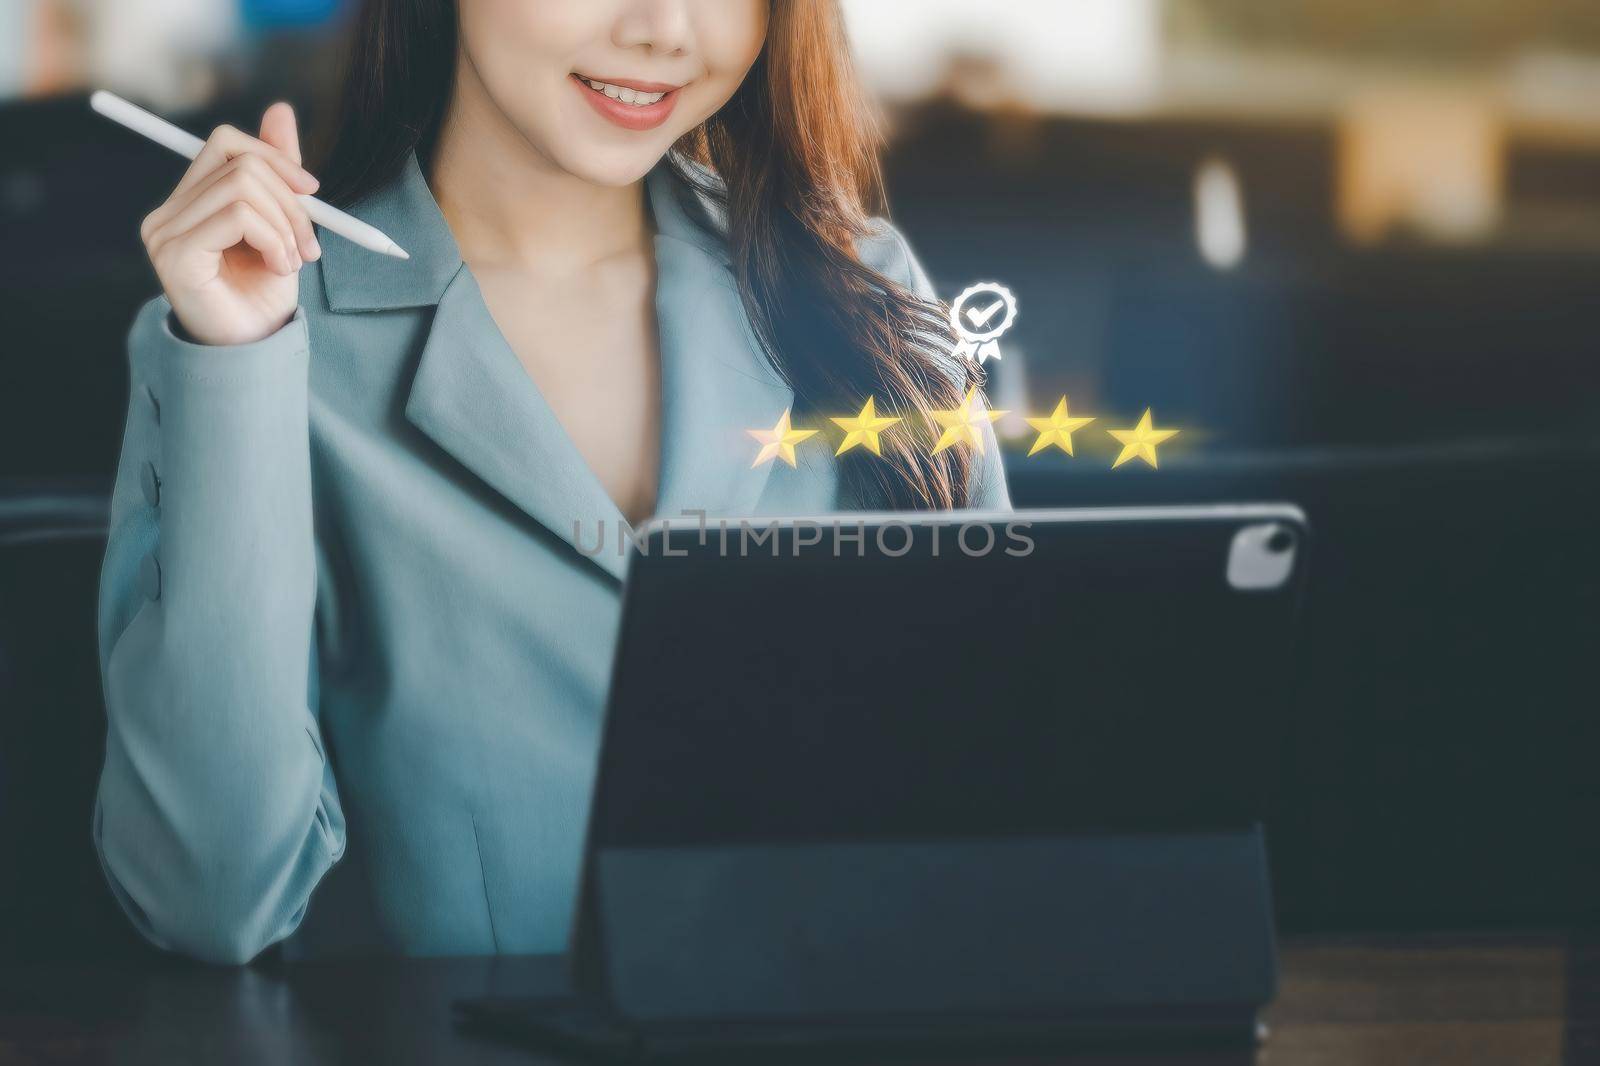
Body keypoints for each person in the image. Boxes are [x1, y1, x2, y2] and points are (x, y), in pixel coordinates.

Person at [94, 0, 1010, 965]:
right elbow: (208, 898)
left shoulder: (871, 300)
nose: (665, 28)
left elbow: (1002, 809)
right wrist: (236, 363)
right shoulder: (271, 341)